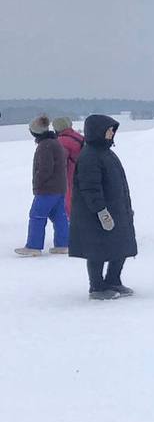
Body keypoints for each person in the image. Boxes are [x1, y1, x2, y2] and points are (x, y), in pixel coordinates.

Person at [68, 115, 136, 298]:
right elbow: (90, 188)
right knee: (97, 250)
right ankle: (97, 287)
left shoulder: (106, 152)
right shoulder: (89, 155)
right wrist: (101, 211)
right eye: (108, 129)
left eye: (113, 129)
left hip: (117, 209)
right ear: (97, 131)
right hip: (95, 213)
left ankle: (113, 280)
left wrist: (125, 208)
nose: (112, 132)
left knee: (120, 246)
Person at [15, 114, 69, 257]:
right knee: (59, 216)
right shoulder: (54, 142)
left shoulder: (45, 146)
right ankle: (63, 244)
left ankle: (33, 246)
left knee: (37, 216)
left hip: (48, 189)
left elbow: (45, 169)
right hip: (60, 187)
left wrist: (38, 183)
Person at [53, 117, 84, 218]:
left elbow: (60, 162)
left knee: (70, 201)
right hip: (82, 173)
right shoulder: (78, 136)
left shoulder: (62, 141)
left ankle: (72, 222)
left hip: (70, 175)